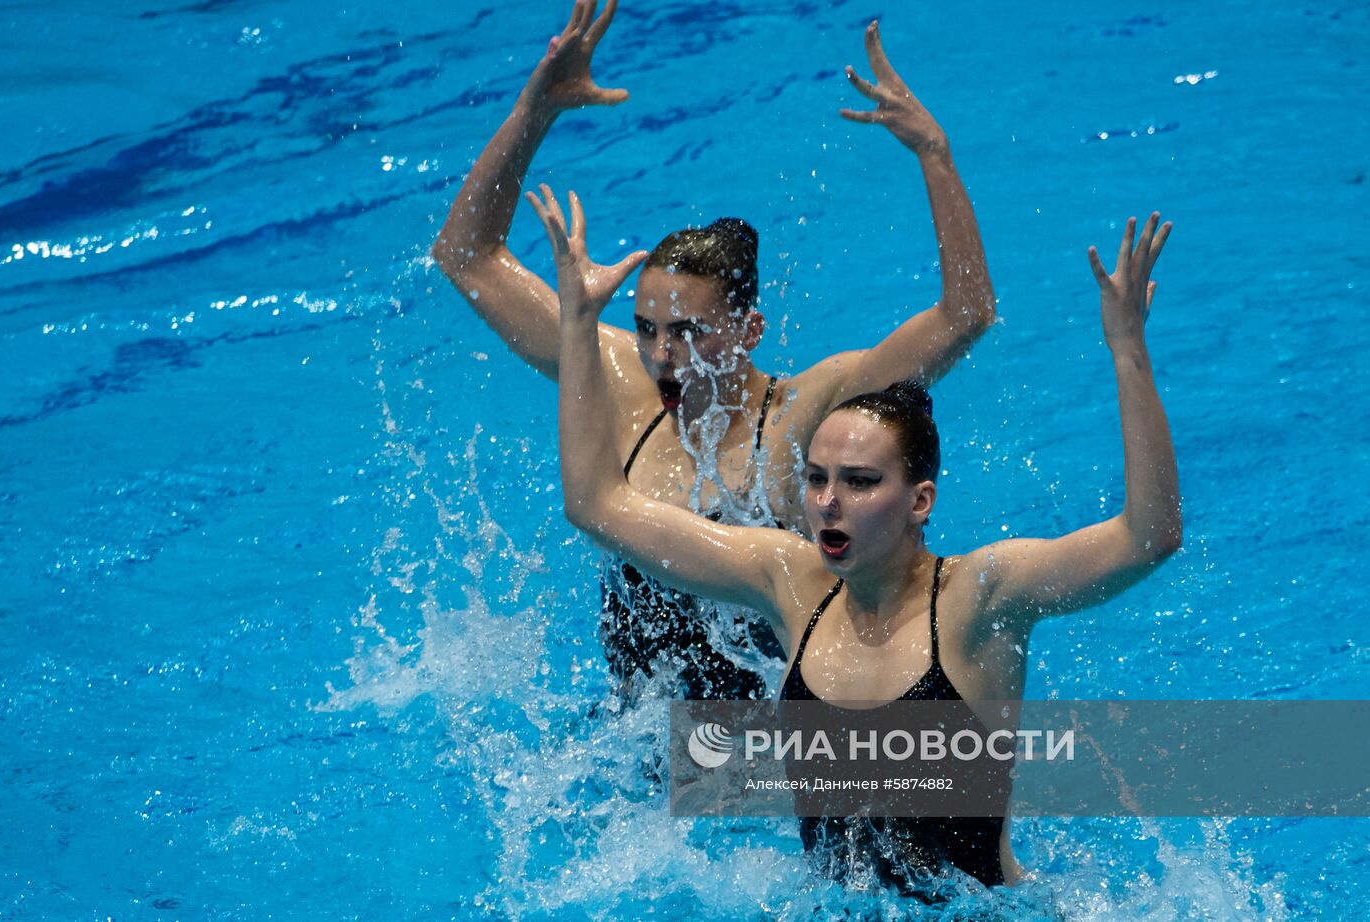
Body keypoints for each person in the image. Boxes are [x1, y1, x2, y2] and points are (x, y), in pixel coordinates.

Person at [529, 182, 1180, 894]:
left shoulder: (980, 598)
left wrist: (1128, 353)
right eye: (815, 480)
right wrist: (578, 324)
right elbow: (597, 505)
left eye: (862, 483)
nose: (830, 503)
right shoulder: (788, 583)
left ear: (919, 501)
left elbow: (1148, 537)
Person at [432, 2, 996, 702]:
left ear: (750, 331)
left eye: (690, 332)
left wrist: (935, 156)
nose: (662, 354)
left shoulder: (805, 418)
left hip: (752, 753)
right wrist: (533, 110)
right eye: (645, 329)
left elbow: (966, 317)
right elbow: (466, 257)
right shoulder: (614, 379)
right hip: (634, 739)